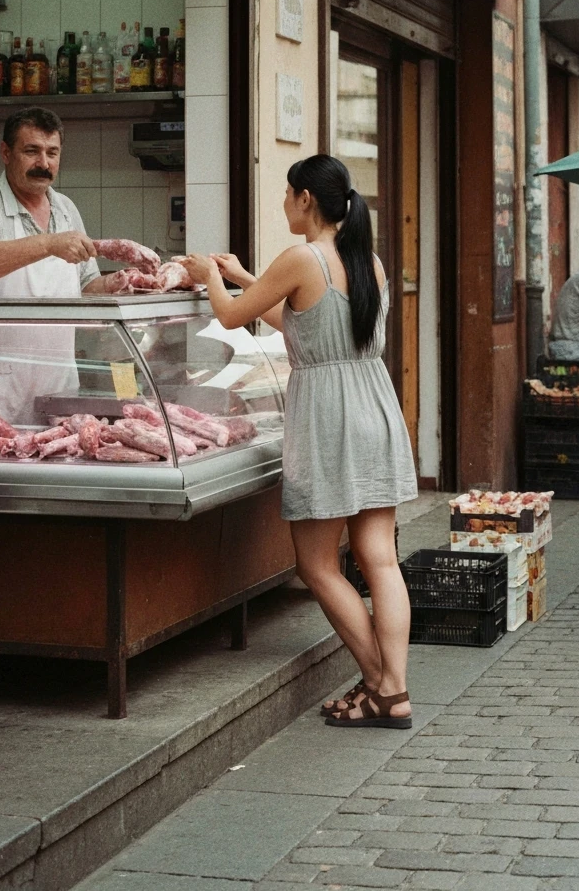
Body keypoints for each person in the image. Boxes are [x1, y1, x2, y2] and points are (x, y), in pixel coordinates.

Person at [182, 155, 417, 730]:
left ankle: (380, 684)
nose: (284, 203)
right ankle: (394, 689)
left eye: (288, 194)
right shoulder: (367, 260)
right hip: (375, 409)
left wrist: (209, 275)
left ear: (306, 198)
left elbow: (231, 318)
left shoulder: (300, 257)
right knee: (381, 559)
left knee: (316, 564)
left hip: (329, 420)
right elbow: (304, 322)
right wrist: (245, 276)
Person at [0, 107, 108, 423]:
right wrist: (49, 244)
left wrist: (122, 283)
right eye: (32, 151)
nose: (44, 163)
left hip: (53, 387)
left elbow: (87, 285)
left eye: (52, 153)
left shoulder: (66, 209)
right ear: (5, 153)